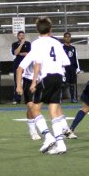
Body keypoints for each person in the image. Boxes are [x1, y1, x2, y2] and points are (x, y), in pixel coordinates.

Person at [17, 16, 71, 155]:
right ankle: (61, 144)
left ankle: (48, 137)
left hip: (48, 77)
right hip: (59, 77)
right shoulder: (57, 43)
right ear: (50, 29)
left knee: (34, 109)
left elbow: (37, 62)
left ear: (37, 30)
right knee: (53, 111)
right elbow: (66, 62)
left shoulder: (36, 44)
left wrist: (34, 82)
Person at [11, 30, 31, 104]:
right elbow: (15, 53)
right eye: (20, 35)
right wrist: (21, 44)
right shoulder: (14, 44)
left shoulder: (28, 43)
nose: (22, 37)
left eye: (23, 35)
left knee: (27, 81)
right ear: (18, 36)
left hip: (27, 64)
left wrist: (21, 53)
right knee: (17, 81)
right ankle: (17, 99)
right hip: (17, 64)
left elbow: (29, 53)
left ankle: (27, 99)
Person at [62, 31, 80, 102]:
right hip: (65, 68)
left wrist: (77, 68)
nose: (68, 38)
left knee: (72, 83)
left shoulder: (73, 48)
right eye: (66, 37)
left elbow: (76, 58)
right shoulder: (62, 47)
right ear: (64, 38)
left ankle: (72, 98)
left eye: (69, 37)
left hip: (72, 68)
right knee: (63, 83)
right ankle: (59, 98)